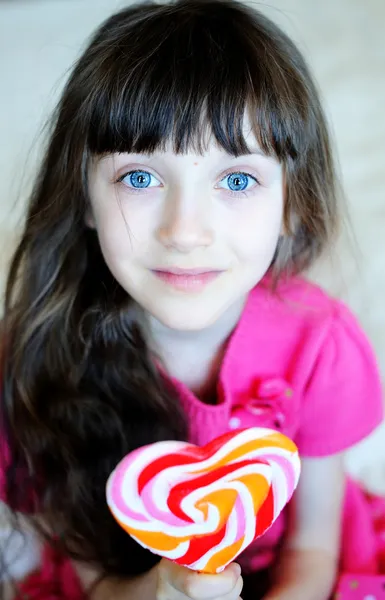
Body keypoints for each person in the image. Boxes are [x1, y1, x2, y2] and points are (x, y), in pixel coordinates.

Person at [0, 0, 384, 598]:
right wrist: (165, 588)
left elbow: (313, 549)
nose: (184, 231)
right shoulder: (44, 361)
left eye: (237, 180)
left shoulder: (318, 346)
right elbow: (98, 583)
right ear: (82, 197)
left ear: (293, 203)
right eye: (140, 177)